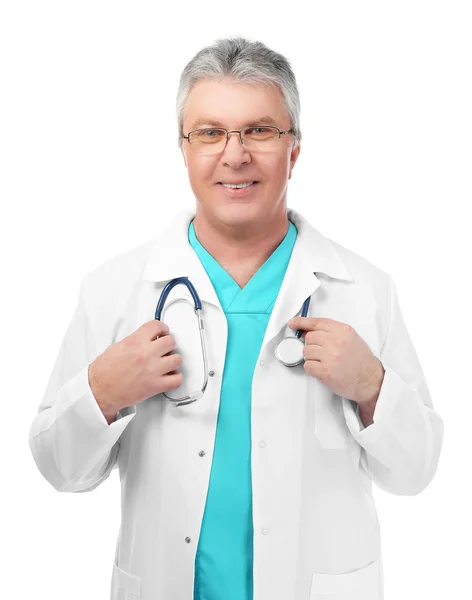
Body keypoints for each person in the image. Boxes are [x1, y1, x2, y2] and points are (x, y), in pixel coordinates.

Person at [28, 37, 444, 600]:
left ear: (294, 149)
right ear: (183, 149)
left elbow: (415, 472)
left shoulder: (364, 290)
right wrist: (101, 392)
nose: (234, 154)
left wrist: (372, 387)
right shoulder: (114, 290)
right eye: (210, 132)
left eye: (260, 130)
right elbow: (60, 470)